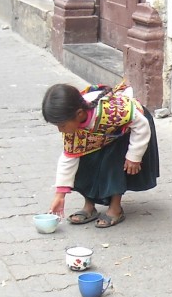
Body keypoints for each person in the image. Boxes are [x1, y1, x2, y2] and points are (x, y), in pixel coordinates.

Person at [42, 82, 160, 228]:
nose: (61, 130)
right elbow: (69, 157)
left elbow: (141, 125)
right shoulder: (72, 130)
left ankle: (115, 208)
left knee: (113, 162)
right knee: (84, 163)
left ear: (79, 114)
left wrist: (134, 156)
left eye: (62, 125)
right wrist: (60, 195)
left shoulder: (111, 111)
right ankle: (89, 206)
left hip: (129, 131)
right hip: (99, 135)